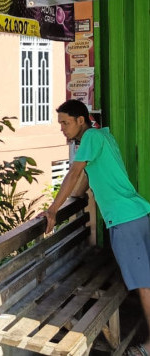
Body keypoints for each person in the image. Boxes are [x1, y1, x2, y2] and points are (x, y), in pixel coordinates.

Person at [44, 99, 150, 356]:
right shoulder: (103, 136)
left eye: (65, 123)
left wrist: (53, 210)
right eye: (60, 124)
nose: (62, 129)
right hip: (139, 213)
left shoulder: (90, 136)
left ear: (81, 120)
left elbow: (72, 175)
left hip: (125, 221)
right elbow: (83, 184)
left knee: (144, 284)